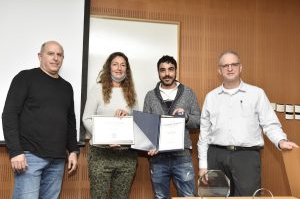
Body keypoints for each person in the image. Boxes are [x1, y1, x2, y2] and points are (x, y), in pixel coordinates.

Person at [197, 50, 299, 196]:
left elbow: (270, 124)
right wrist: (203, 165)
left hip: (246, 157)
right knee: (214, 197)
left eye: (234, 64)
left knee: (249, 197)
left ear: (240, 67)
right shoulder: (211, 97)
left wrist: (281, 140)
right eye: (225, 65)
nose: (230, 68)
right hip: (216, 156)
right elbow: (204, 134)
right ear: (219, 70)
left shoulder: (257, 94)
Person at [2, 41, 79, 199]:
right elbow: (9, 114)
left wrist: (73, 150)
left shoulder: (67, 87)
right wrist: (16, 151)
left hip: (57, 160)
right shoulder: (25, 77)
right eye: (50, 54)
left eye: (59, 55)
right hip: (30, 157)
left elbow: (70, 121)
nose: (55, 58)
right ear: (40, 56)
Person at [143, 55, 201, 199]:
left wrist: (185, 116)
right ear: (158, 72)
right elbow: (146, 127)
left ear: (176, 71)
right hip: (158, 158)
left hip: (182, 156)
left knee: (188, 196)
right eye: (162, 70)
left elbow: (199, 121)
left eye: (170, 69)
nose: (167, 73)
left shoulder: (188, 93)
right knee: (160, 196)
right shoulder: (150, 96)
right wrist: (150, 144)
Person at [82, 52, 138, 199]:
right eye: (115, 64)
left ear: (127, 69)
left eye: (123, 65)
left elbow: (138, 123)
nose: (119, 68)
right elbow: (86, 118)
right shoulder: (97, 89)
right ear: (109, 68)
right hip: (101, 154)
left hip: (126, 156)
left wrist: (128, 116)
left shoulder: (131, 93)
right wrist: (106, 138)